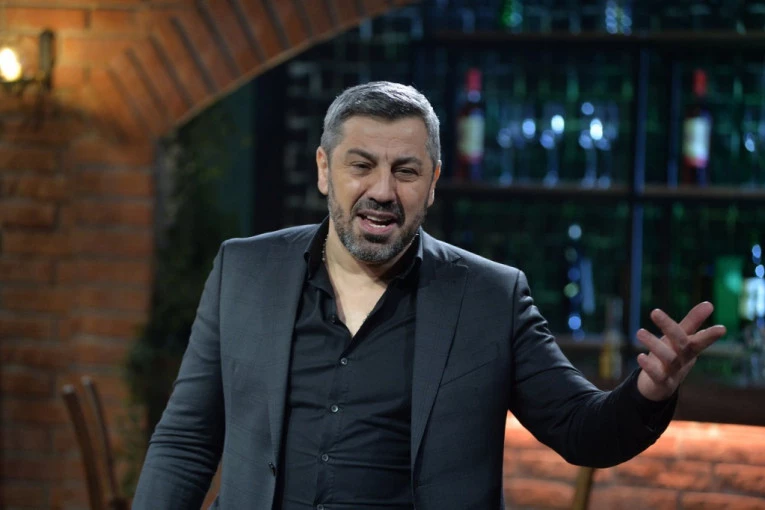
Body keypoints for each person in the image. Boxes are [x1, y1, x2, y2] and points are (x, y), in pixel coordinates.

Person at [132, 81, 726, 509]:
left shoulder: (491, 297)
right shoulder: (245, 270)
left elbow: (581, 429)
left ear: (433, 182)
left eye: (406, 171)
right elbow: (186, 442)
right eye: (361, 165)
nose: (382, 191)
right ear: (324, 169)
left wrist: (648, 393)